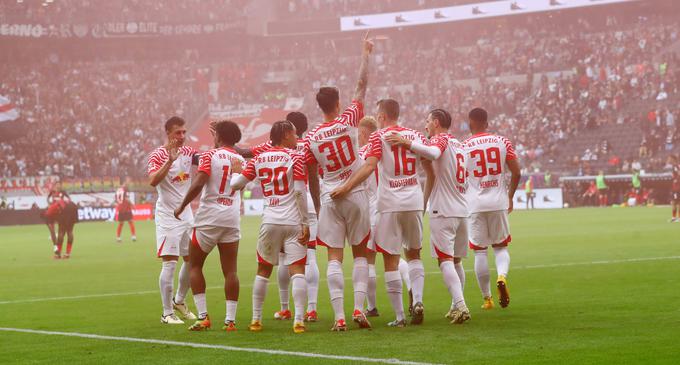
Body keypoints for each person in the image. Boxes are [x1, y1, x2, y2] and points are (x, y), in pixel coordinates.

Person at [332, 99, 433, 327]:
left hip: (388, 204)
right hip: (414, 201)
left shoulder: (378, 137)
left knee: (390, 259)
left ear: (382, 116)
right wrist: (424, 200)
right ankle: (417, 300)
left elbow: (368, 167)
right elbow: (431, 163)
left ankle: (399, 317)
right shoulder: (415, 135)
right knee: (414, 254)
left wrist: (346, 186)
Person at [300, 31, 374, 331]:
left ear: (319, 107)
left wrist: (315, 208)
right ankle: (358, 309)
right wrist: (366, 53)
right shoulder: (348, 120)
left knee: (333, 257)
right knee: (360, 253)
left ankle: (339, 317)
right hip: (356, 192)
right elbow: (362, 85)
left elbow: (308, 174)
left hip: (331, 196)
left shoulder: (311, 138)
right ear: (338, 102)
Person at [385, 108, 471, 324]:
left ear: (436, 122)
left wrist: (407, 144)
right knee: (457, 262)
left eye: (427, 121)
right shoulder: (462, 146)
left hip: (444, 210)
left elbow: (432, 154)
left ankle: (461, 305)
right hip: (462, 210)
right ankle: (455, 305)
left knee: (445, 261)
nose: (425, 126)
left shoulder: (441, 139)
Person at [239, 112, 321, 323]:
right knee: (307, 258)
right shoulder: (310, 143)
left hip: (284, 207)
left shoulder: (268, 148)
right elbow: (317, 174)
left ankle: (285, 308)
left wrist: (227, 144)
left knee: (283, 260)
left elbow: (245, 152)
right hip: (308, 203)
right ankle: (310, 310)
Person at [173, 120, 244, 332]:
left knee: (195, 265)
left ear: (218, 137)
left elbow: (199, 182)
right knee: (230, 271)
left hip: (208, 218)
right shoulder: (241, 159)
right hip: (231, 218)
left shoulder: (209, 156)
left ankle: (203, 317)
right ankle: (230, 321)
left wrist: (181, 206)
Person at [462, 108, 521, 309]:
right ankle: (502, 277)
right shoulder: (502, 142)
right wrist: (510, 196)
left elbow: (458, 177)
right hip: (498, 202)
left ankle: (487, 299)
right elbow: (516, 172)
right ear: (487, 123)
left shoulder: (464, 146)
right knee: (501, 247)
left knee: (479, 252)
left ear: (470, 124)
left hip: (475, 204)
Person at [357, 116, 413, 318]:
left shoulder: (362, 154)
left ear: (363, 133)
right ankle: (410, 283)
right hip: (392, 204)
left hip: (371, 209)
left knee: (368, 259)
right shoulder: (389, 146)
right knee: (393, 256)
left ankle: (371, 307)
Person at [147, 116, 198, 324]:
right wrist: (170, 161)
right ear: (168, 133)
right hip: (168, 216)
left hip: (186, 215)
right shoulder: (158, 155)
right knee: (169, 264)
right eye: (178, 132)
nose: (182, 136)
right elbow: (152, 181)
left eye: (184, 132)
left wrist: (217, 142)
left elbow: (209, 160)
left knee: (192, 260)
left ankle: (179, 301)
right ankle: (166, 313)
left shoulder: (189, 153)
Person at [670, 155, 680, 222]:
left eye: (670, 158)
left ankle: (678, 218)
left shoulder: (676, 166)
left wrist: (677, 179)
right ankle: (674, 218)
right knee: (674, 202)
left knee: (676, 202)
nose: (669, 160)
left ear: (673, 159)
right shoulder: (675, 166)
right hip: (675, 187)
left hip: (677, 188)